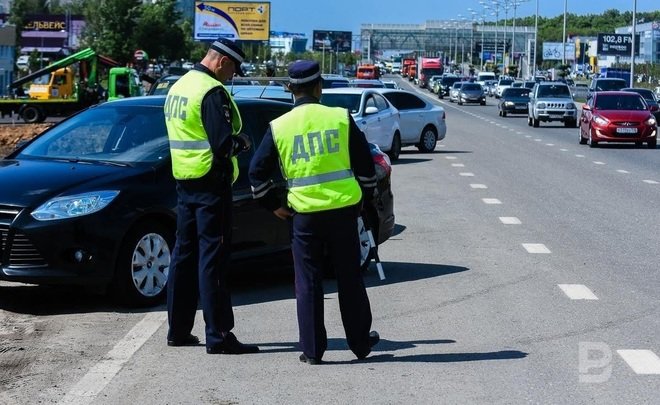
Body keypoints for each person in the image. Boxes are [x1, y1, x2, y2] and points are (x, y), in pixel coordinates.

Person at [249, 60, 380, 364]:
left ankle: (312, 350)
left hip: (304, 216)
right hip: (343, 212)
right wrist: (364, 200)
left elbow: (257, 173)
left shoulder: (279, 126)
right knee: (350, 278)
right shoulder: (340, 118)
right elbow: (366, 168)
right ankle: (360, 344)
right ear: (320, 87)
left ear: (291, 91)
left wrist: (275, 206)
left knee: (308, 282)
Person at [164, 38, 259, 355]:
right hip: (210, 185)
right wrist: (243, 142)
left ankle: (177, 330)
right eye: (232, 69)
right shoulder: (210, 92)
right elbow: (223, 145)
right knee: (213, 260)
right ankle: (218, 335)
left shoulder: (180, 86)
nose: (231, 76)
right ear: (221, 61)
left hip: (184, 182)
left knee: (183, 257)